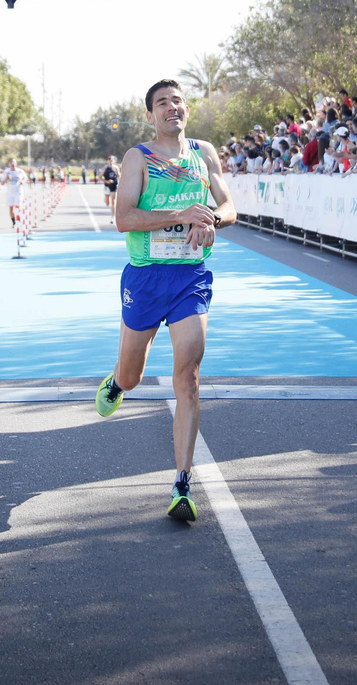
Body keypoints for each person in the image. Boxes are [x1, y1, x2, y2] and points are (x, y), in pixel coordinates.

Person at [94, 79, 235, 523]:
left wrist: (213, 218)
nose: (171, 107)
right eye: (162, 103)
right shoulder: (139, 157)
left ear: (186, 109)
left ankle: (181, 484)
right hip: (146, 277)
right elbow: (124, 219)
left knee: (188, 377)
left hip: (190, 277)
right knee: (134, 377)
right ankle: (118, 379)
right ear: (151, 115)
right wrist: (179, 215)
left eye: (177, 101)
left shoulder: (204, 152)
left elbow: (230, 206)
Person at [0, 157, 28, 238]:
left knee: (18, 206)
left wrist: (23, 181)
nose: (12, 164)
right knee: (11, 208)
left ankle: (18, 218)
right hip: (10, 192)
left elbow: (25, 178)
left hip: (18, 191)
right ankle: (14, 222)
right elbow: (2, 183)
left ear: (16, 163)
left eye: (14, 162)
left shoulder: (20, 171)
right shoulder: (7, 172)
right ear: (9, 164)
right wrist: (7, 178)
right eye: (11, 162)